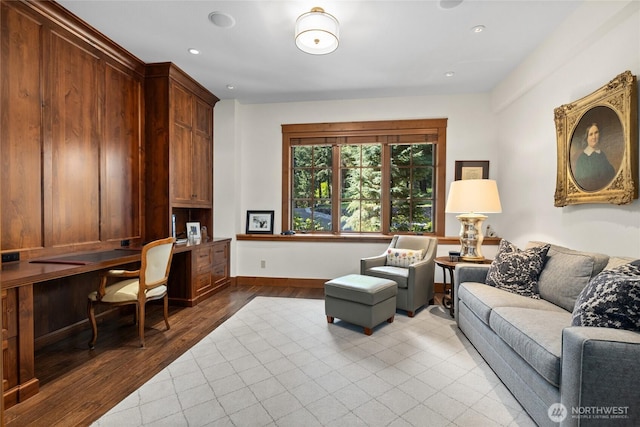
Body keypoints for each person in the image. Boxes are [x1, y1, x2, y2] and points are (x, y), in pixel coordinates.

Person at [573, 123, 616, 191]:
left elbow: (611, 174)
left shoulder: (602, 155)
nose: (594, 137)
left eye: (596, 133)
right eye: (591, 134)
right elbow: (582, 182)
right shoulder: (582, 159)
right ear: (586, 138)